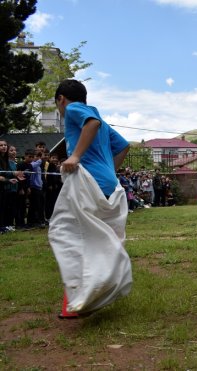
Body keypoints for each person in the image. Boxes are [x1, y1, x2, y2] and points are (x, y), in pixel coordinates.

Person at [49, 79, 132, 316]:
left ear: (61, 99)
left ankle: (84, 296)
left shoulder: (74, 110)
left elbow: (91, 123)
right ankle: (90, 293)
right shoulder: (104, 124)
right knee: (94, 236)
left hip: (87, 180)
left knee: (64, 232)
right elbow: (124, 146)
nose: (60, 111)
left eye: (58, 106)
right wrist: (109, 170)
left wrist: (75, 156)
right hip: (108, 184)